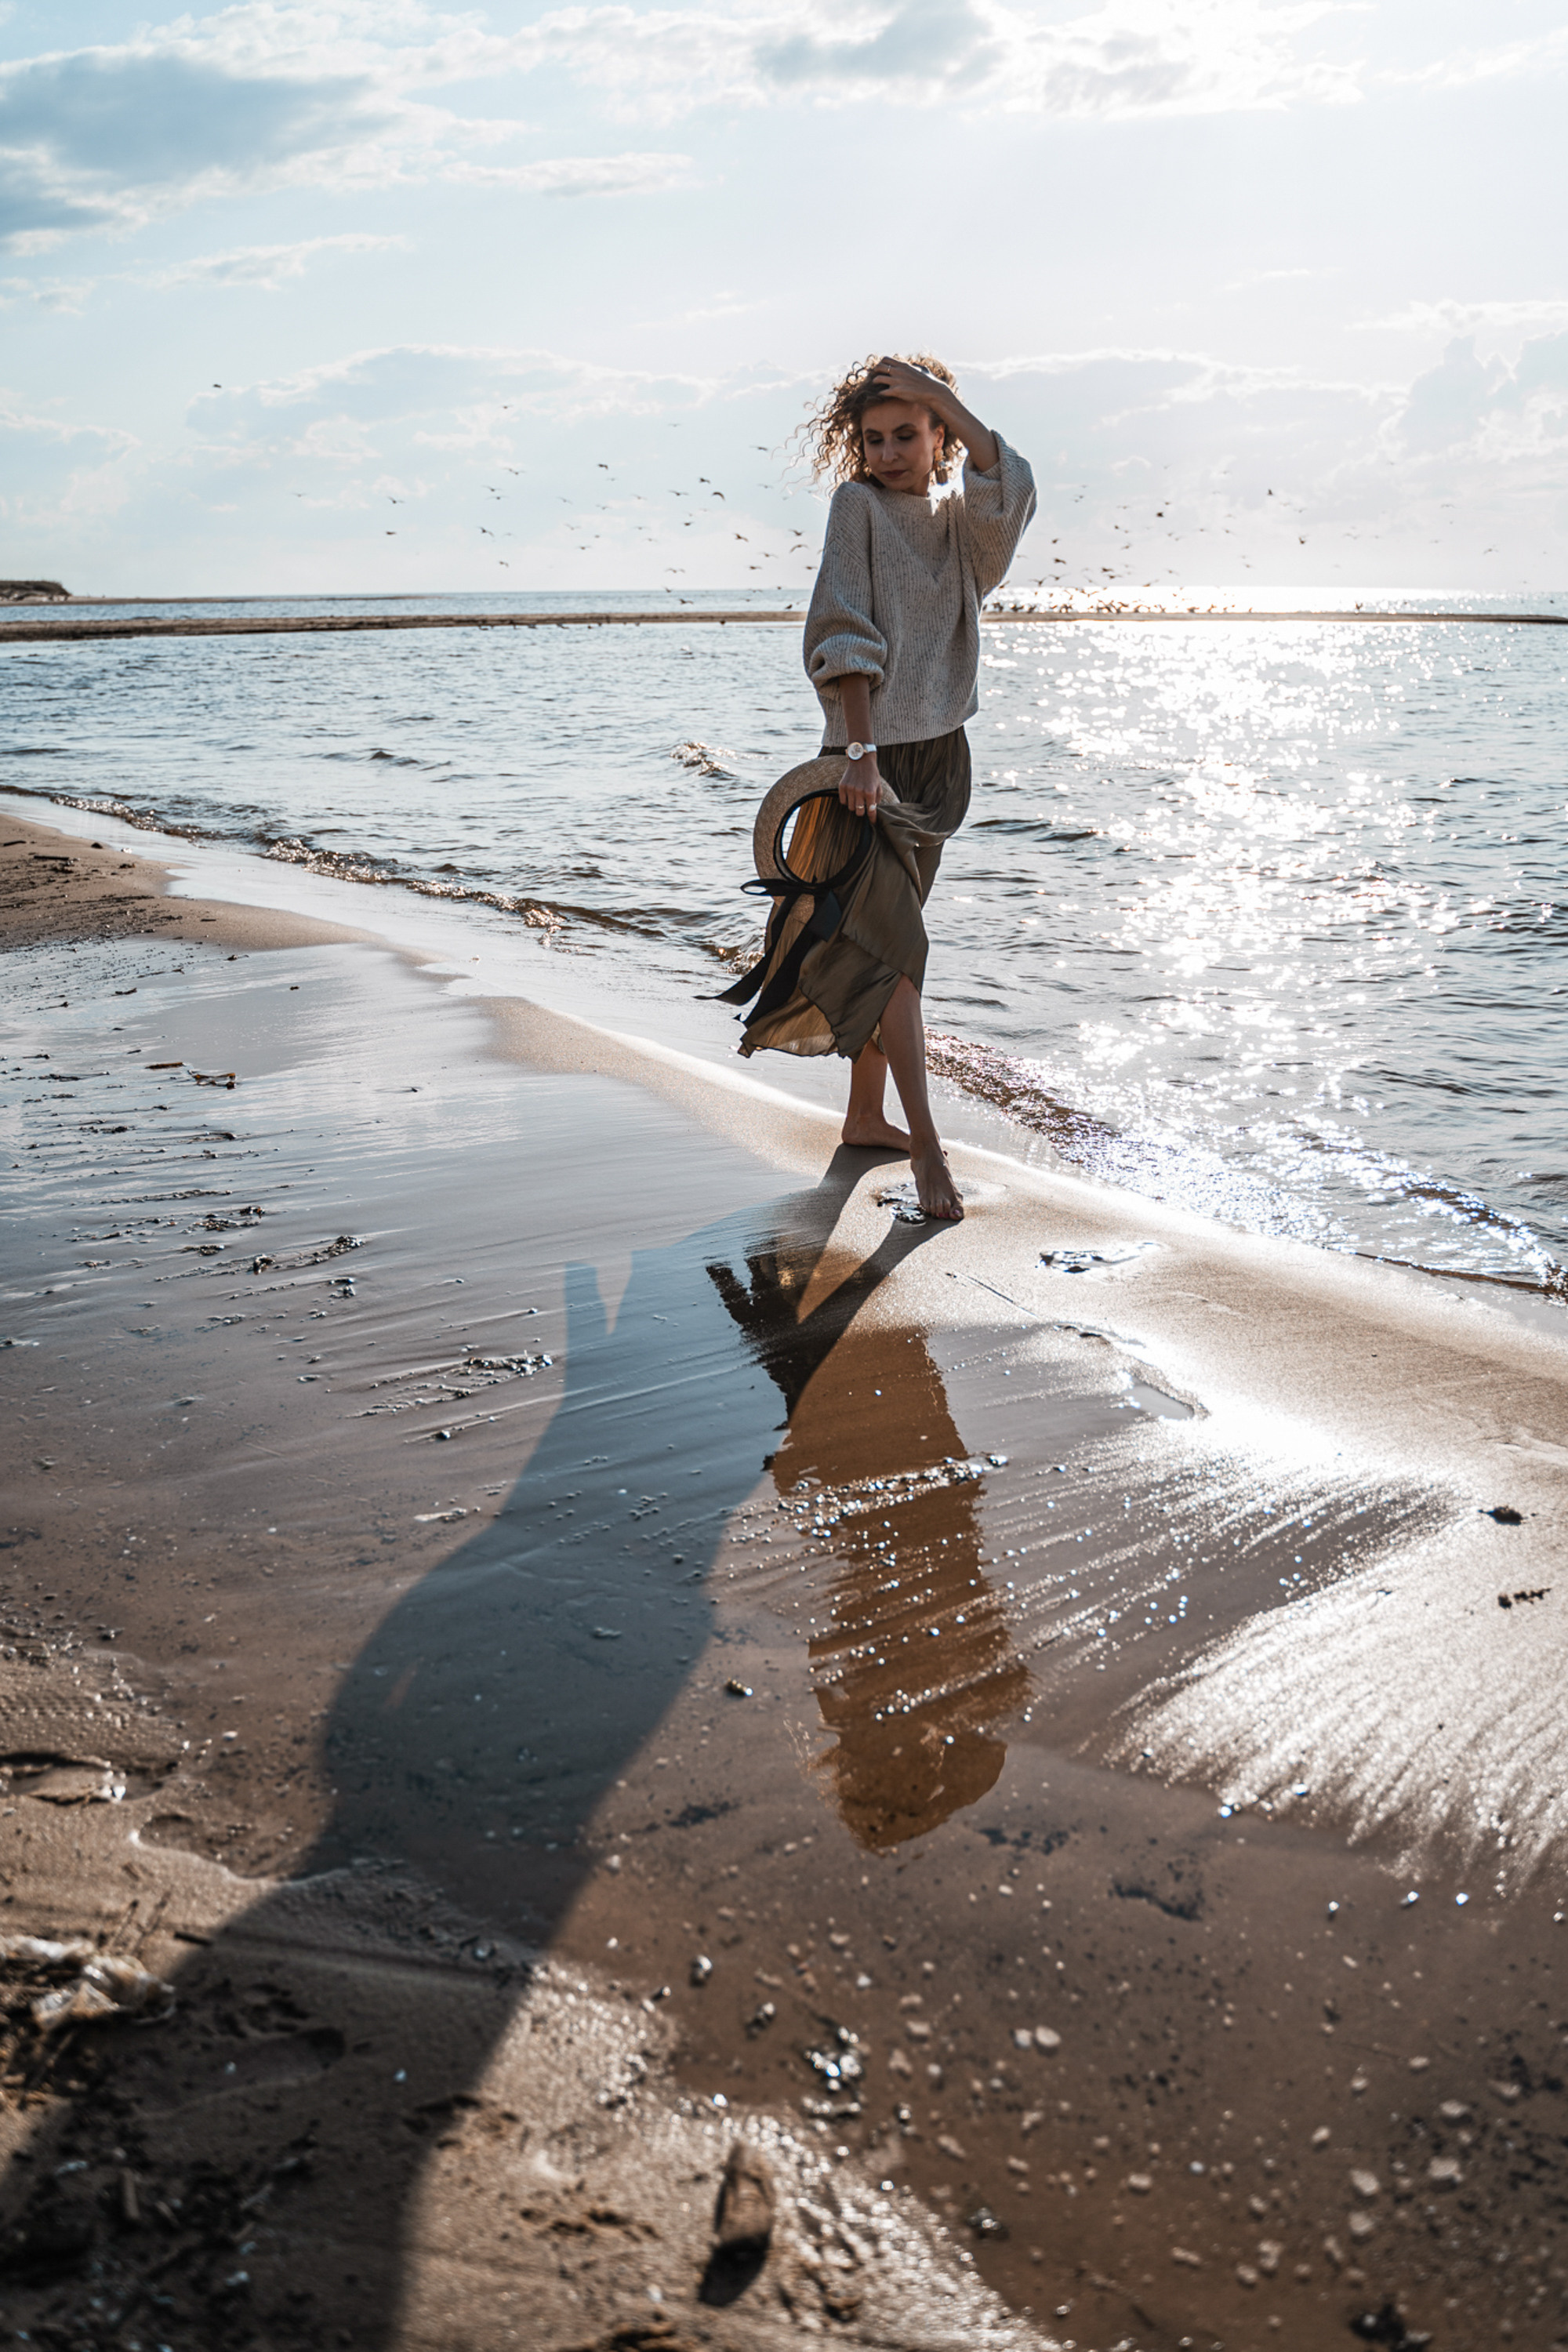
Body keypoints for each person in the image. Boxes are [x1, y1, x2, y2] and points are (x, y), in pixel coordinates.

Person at [735, 354, 1035, 1221]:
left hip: (941, 762)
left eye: (907, 434)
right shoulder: (855, 508)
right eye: (873, 439)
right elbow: (843, 630)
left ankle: (866, 1116)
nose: (888, 453)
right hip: (867, 763)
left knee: (882, 954)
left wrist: (942, 396)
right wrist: (860, 750)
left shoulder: (957, 524)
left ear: (939, 433)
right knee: (901, 956)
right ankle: (928, 1151)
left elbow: (1005, 491)